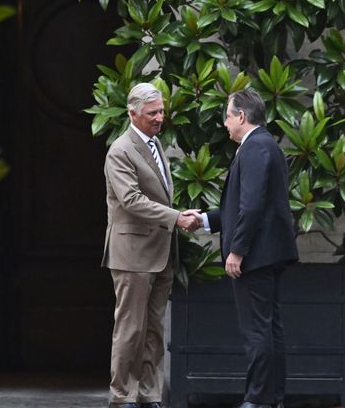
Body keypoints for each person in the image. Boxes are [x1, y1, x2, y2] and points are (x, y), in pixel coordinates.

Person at [187, 89, 298, 408]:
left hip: (256, 255)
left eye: (227, 115)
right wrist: (204, 218)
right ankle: (272, 397)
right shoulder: (266, 145)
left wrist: (237, 251)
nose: (224, 123)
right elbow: (241, 205)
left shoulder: (254, 148)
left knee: (256, 330)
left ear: (241, 116)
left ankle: (258, 399)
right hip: (270, 252)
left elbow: (251, 207)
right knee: (270, 327)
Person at [102, 82, 201, 408]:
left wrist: (178, 216)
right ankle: (122, 396)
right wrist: (176, 217)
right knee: (131, 329)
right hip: (132, 254)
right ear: (133, 114)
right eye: (152, 113)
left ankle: (149, 394)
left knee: (155, 330)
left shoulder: (155, 144)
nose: (160, 117)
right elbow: (131, 200)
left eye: (161, 110)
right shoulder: (120, 150)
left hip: (160, 253)